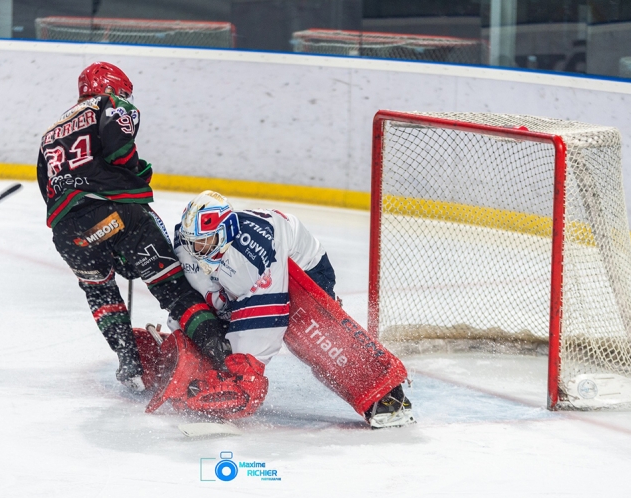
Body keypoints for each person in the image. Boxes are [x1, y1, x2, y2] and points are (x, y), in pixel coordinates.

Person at [36, 62, 229, 393]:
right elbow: (120, 150)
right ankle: (221, 357)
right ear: (111, 88)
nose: (126, 99)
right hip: (118, 211)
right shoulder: (109, 104)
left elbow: (48, 191)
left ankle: (129, 363)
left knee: (100, 291)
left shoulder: (49, 133)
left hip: (69, 231)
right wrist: (136, 173)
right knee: (170, 285)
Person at [156, 190, 410, 426]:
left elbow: (266, 317)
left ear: (227, 232)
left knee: (313, 336)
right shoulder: (189, 244)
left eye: (205, 242)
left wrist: (246, 371)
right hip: (257, 269)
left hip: (304, 270)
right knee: (219, 323)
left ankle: (385, 394)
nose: (197, 250)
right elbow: (194, 294)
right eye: (193, 243)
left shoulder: (253, 254)